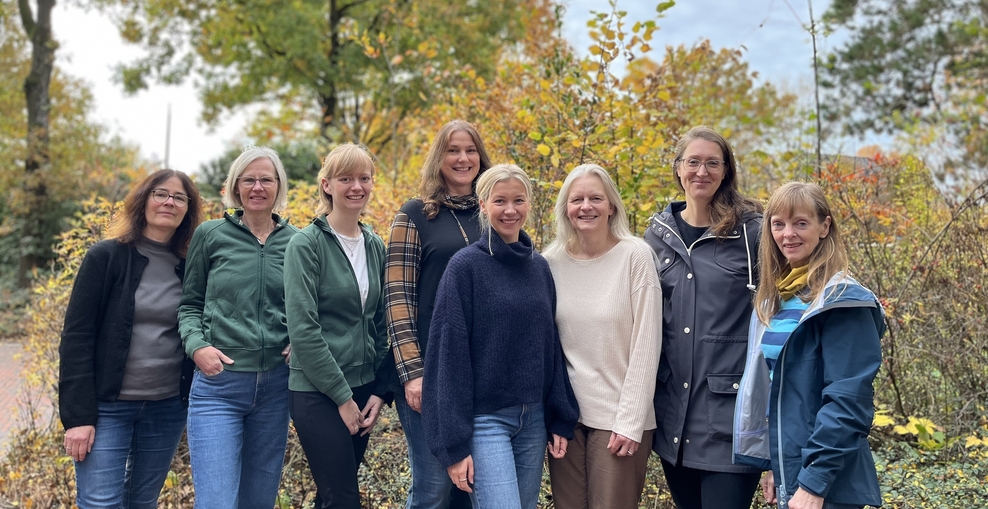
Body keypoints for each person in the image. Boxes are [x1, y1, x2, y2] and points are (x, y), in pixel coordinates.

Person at [422, 164, 579, 509]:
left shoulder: (539, 267)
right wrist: (455, 445)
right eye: (500, 201)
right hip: (485, 421)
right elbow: (448, 356)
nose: (510, 210)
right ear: (483, 204)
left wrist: (559, 415)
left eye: (518, 200)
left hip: (534, 419)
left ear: (529, 204)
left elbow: (549, 347)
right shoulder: (465, 268)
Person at [59, 169, 204, 509]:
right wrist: (78, 417)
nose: (169, 202)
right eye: (161, 194)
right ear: (143, 201)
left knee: (141, 502)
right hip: (107, 407)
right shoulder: (106, 257)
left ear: (188, 210)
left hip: (167, 406)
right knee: (99, 502)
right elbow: (77, 337)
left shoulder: (193, 264)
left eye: (179, 197)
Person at [734, 182, 884, 509]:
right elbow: (780, 394)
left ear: (824, 226)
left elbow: (849, 401)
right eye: (778, 223)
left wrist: (814, 483)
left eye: (801, 223)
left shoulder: (842, 300)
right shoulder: (778, 299)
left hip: (829, 482)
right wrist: (775, 466)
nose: (788, 234)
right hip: (792, 470)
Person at [643, 126, 763, 509]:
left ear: (726, 170)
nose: (702, 171)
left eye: (713, 163)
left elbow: (782, 311)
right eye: (692, 162)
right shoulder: (655, 235)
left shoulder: (753, 232)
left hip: (728, 419)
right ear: (677, 168)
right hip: (673, 419)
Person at [178, 146, 299, 509]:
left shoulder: (298, 241)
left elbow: (311, 308)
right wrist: (197, 346)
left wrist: (300, 341)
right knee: (216, 502)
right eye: (249, 179)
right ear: (235, 186)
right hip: (219, 387)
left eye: (266, 179)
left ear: (279, 186)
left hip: (277, 389)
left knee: (258, 502)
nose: (257, 187)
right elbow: (189, 305)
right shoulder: (210, 235)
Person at [385, 119, 491, 509]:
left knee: (470, 487)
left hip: (480, 376)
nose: (462, 159)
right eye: (452, 150)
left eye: (470, 150)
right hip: (429, 374)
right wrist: (414, 374)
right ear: (438, 158)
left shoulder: (493, 214)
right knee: (433, 489)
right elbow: (396, 299)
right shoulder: (414, 215)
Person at [543, 164, 661, 509]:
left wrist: (631, 420)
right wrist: (552, 416)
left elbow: (647, 343)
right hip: (567, 420)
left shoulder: (635, 255)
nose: (586, 206)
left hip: (618, 420)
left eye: (596, 198)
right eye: (576, 199)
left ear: (612, 206)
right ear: (565, 207)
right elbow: (548, 349)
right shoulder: (549, 263)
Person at [284, 143, 393, 508]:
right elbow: (303, 330)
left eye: (364, 178)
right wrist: (342, 398)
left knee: (332, 496)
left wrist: (379, 390)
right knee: (343, 497)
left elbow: (381, 321)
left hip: (363, 389)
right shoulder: (306, 245)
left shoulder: (376, 245)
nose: (356, 186)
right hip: (318, 392)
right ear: (327, 185)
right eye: (345, 178)